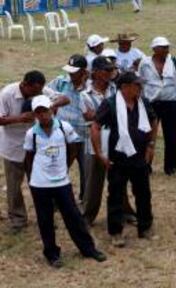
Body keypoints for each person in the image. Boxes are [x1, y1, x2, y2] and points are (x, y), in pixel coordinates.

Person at [23, 95, 106, 268]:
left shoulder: (63, 127)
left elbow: (73, 149)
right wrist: (32, 179)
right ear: (35, 115)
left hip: (61, 182)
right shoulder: (31, 134)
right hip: (40, 184)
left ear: (51, 110)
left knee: (73, 216)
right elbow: (29, 157)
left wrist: (64, 167)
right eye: (39, 112)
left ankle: (88, 249)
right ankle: (52, 254)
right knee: (45, 219)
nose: (43, 115)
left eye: (45, 111)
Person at [91, 72, 157, 247]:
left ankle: (145, 227)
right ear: (125, 87)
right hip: (118, 158)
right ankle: (116, 232)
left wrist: (151, 144)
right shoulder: (110, 104)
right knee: (116, 195)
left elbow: (153, 119)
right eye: (137, 85)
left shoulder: (143, 102)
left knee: (143, 193)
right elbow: (96, 126)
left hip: (140, 156)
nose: (140, 88)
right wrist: (99, 153)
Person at [0, 71, 68, 232]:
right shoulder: (7, 94)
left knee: (41, 185)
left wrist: (51, 105)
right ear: (24, 85)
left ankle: (45, 217)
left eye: (40, 91)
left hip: (37, 148)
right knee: (14, 187)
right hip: (13, 147)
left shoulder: (41, 91)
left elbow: (65, 98)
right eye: (34, 91)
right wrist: (19, 118)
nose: (37, 94)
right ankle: (18, 219)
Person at [138, 36, 176, 175]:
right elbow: (140, 81)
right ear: (155, 49)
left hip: (170, 102)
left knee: (171, 136)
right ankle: (146, 164)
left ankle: (170, 167)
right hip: (151, 102)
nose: (166, 50)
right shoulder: (145, 63)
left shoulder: (175, 61)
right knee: (147, 135)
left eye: (167, 47)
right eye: (163, 47)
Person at [49, 54, 89, 201]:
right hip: (63, 134)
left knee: (87, 171)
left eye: (75, 71)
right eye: (70, 71)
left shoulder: (91, 85)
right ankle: (57, 200)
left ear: (84, 71)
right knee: (60, 168)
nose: (71, 74)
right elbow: (44, 94)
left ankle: (85, 199)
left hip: (86, 135)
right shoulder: (60, 82)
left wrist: (83, 86)